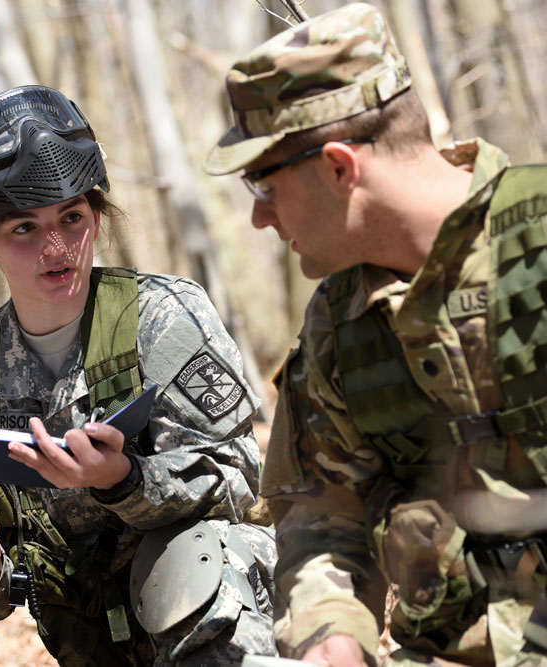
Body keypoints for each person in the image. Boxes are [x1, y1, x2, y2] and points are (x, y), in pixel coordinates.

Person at [206, 3, 547, 665]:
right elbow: (319, 527)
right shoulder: (339, 328)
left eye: (265, 184)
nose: (257, 218)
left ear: (339, 167)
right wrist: (331, 634)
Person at [0, 84, 277, 666]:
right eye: (24, 229)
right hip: (92, 643)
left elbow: (242, 488)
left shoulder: (162, 320)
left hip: (213, 623)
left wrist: (125, 479)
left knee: (200, 555)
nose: (58, 247)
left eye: (72, 217)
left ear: (97, 215)